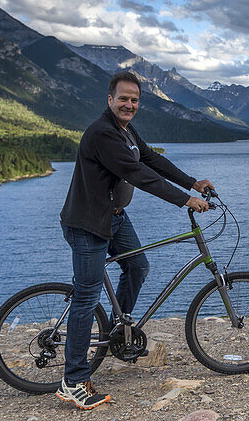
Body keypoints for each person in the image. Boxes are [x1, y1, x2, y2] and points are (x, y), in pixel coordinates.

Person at [56, 71, 213, 410]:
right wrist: (184, 200)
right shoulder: (103, 133)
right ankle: (73, 380)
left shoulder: (124, 130)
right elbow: (139, 174)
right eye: (123, 98)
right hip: (88, 224)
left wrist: (192, 183)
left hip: (113, 217)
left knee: (138, 265)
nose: (129, 104)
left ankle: (118, 333)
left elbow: (151, 159)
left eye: (134, 100)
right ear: (110, 99)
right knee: (86, 298)